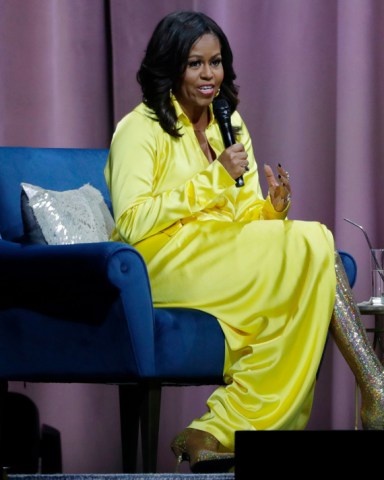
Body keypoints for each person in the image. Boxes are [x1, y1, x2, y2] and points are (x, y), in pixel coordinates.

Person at [105, 10, 384, 473]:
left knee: (307, 262)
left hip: (217, 253)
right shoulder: (140, 128)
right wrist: (215, 178)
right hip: (160, 261)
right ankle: (374, 385)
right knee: (315, 242)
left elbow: (240, 215)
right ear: (170, 66)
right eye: (195, 64)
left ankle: (213, 431)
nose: (209, 74)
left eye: (216, 62)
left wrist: (271, 208)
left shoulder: (227, 123)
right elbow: (133, 222)